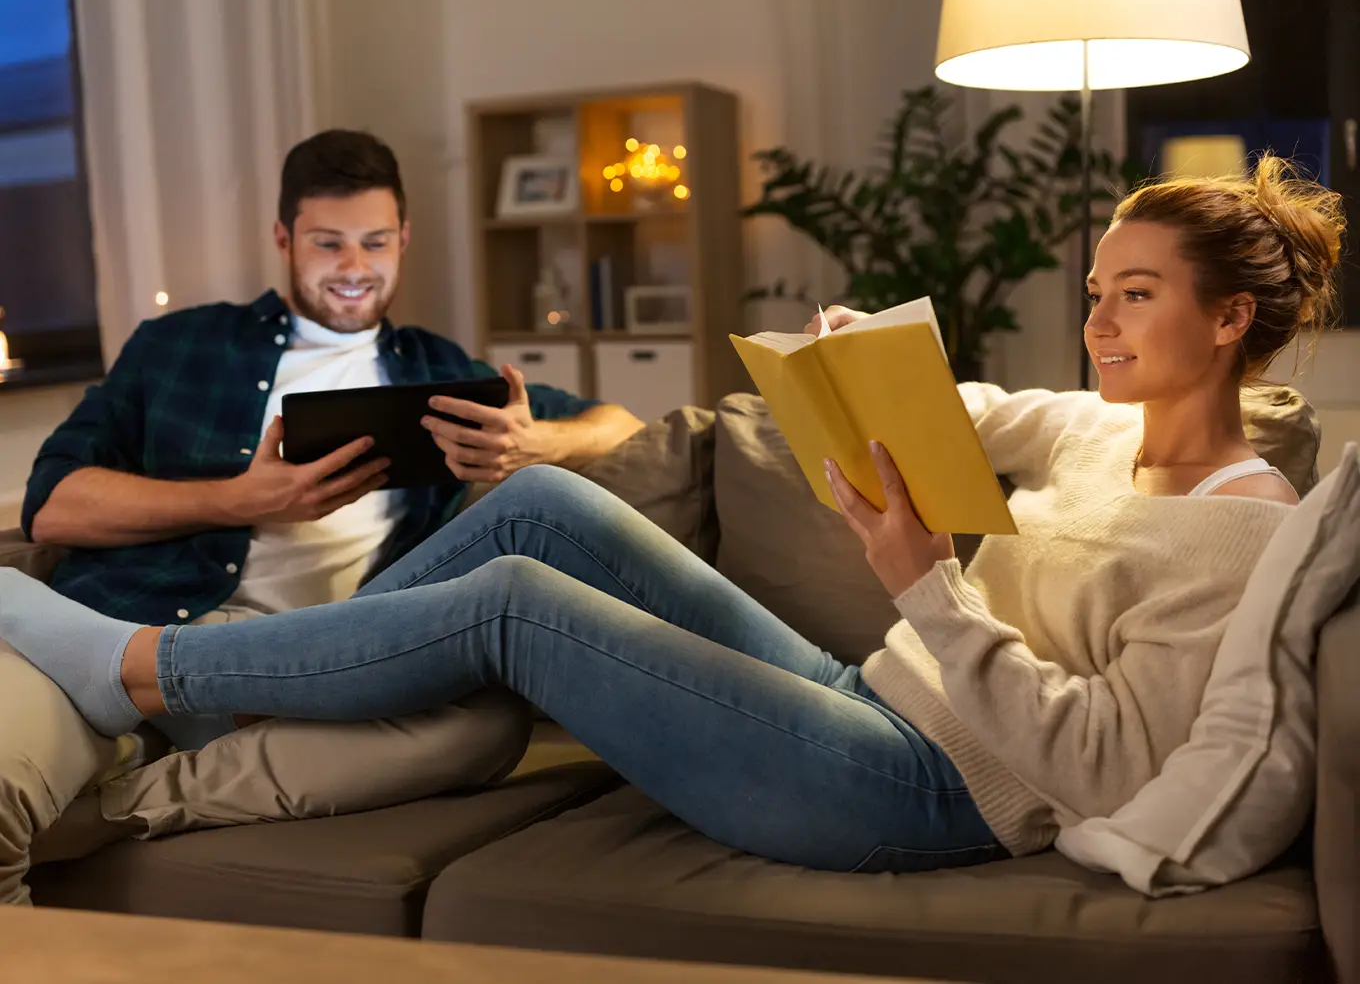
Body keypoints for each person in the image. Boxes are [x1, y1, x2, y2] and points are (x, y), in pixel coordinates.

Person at [1, 156, 1342, 875]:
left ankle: (135, 672)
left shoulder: (1245, 527)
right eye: (1097, 288)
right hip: (876, 694)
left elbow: (1103, 768)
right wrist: (849, 351)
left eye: (1136, 297)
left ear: (1228, 322)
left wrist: (928, 585)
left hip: (937, 794)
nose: (1096, 320)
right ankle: (238, 687)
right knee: (538, 509)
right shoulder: (1095, 426)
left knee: (517, 611)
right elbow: (967, 401)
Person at [0, 129, 643, 904]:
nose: (354, 267)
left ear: (403, 239)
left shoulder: (442, 372)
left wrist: (536, 441)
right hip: (130, 623)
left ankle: (107, 813)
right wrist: (242, 498)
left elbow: (623, 423)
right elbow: (50, 507)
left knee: (486, 728)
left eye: (375, 242)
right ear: (284, 239)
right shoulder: (177, 347)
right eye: (328, 243)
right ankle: (133, 692)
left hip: (307, 669)